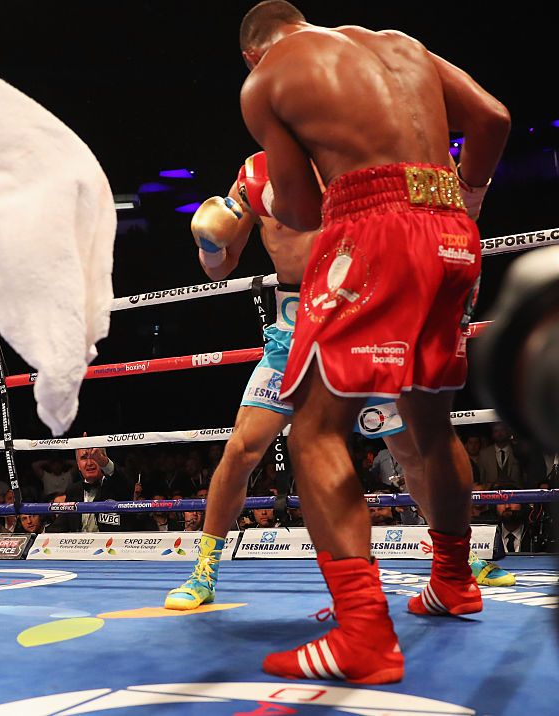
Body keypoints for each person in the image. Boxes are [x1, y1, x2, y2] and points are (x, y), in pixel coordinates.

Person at [236, 1, 509, 683]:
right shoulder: (398, 42)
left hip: (374, 230)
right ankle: (454, 581)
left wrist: (261, 204)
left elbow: (303, 210)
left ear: (251, 53)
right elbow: (493, 119)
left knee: (314, 429)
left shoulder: (266, 78)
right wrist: (466, 199)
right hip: (452, 235)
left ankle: (363, 636)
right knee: (429, 423)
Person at [164, 149, 424, 611]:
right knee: (241, 449)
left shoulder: (349, 159)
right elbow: (221, 266)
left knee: (409, 449)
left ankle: (459, 553)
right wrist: (209, 244)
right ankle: (203, 571)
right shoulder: (254, 172)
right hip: (291, 332)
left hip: (356, 324)